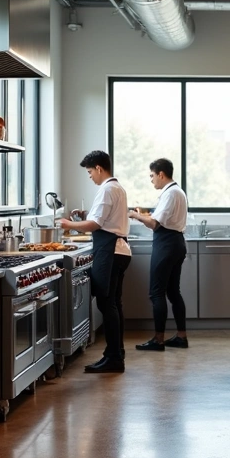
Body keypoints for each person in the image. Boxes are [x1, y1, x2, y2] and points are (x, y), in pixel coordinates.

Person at [59, 150, 131, 374]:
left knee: (106, 303)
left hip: (110, 251)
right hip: (119, 251)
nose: (90, 176)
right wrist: (87, 213)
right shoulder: (117, 187)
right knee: (114, 304)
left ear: (99, 168)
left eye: (90, 172)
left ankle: (114, 358)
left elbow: (95, 225)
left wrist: (67, 224)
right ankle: (116, 352)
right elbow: (103, 217)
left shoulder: (107, 189)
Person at [128, 158, 190, 351]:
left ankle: (158, 339)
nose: (151, 180)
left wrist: (135, 215)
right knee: (173, 292)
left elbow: (155, 223)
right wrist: (145, 215)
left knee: (156, 292)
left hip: (166, 245)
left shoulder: (170, 194)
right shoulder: (178, 192)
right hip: (177, 243)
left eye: (152, 176)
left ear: (161, 174)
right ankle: (181, 336)